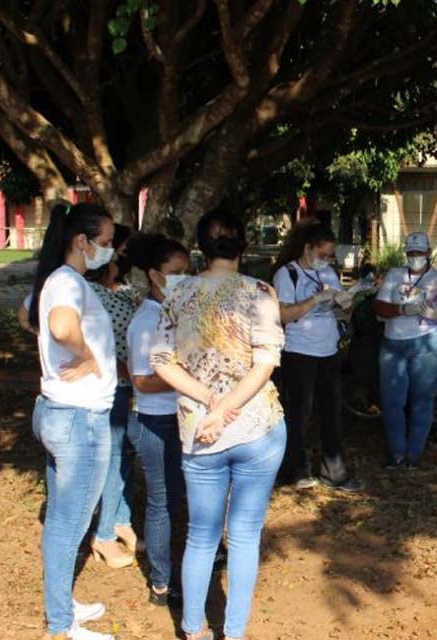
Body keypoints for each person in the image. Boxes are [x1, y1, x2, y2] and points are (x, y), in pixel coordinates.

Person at [151, 209, 286, 640]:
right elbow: (265, 362)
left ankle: (192, 630)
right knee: (245, 535)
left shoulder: (177, 294)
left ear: (199, 248)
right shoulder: (260, 292)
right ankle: (235, 631)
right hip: (257, 427)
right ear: (243, 246)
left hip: (199, 431)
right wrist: (226, 406)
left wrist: (210, 403)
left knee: (201, 536)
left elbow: (160, 361)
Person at [28, 202, 118, 640]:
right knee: (68, 524)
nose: (110, 250)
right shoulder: (68, 282)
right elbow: (63, 327)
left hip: (60, 413)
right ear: (80, 241)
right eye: (104, 242)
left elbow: (37, 321)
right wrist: (86, 355)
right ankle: (60, 624)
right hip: (78, 420)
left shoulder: (59, 281)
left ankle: (62, 606)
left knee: (63, 520)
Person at [125, 233, 190, 607]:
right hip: (157, 423)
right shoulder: (147, 320)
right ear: (154, 275)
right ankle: (162, 582)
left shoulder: (174, 311)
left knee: (178, 499)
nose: (183, 278)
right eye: (174, 272)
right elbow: (143, 383)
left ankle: (179, 567)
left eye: (187, 270)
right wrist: (186, 374)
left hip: (182, 418)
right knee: (162, 502)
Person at [272, 220, 361, 492]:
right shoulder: (287, 274)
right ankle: (295, 471)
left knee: (332, 412)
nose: (325, 260)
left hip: (329, 350)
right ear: (307, 248)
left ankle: (334, 470)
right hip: (300, 352)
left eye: (328, 256)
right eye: (321, 254)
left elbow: (339, 312)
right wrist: (315, 300)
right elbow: (284, 314)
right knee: (299, 413)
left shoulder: (329, 275)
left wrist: (346, 304)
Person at [373, 231, 437, 468]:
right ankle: (397, 454)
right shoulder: (395, 275)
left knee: (422, 400)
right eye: (410, 253)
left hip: (428, 344)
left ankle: (413, 455)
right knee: (392, 401)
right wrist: (402, 311)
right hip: (393, 344)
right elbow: (379, 306)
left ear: (428, 253)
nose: (415, 257)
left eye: (419, 253)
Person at [84, 223, 141, 568]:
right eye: (118, 247)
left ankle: (122, 519)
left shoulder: (126, 289)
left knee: (126, 456)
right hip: (110, 387)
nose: (122, 253)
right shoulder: (88, 291)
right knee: (112, 458)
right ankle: (103, 534)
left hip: (133, 385)